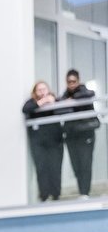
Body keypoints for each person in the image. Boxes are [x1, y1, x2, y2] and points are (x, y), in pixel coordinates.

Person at [58, 69, 98, 198]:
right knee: (76, 165)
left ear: (78, 81)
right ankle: (82, 190)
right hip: (71, 136)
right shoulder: (65, 96)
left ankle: (84, 192)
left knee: (85, 164)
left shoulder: (84, 91)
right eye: (69, 82)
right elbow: (58, 104)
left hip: (86, 135)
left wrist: (72, 99)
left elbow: (91, 93)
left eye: (74, 81)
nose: (71, 84)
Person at [23, 81, 63, 202]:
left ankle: (56, 194)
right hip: (38, 142)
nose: (42, 92)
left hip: (55, 140)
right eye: (39, 90)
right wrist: (41, 102)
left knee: (55, 167)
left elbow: (64, 109)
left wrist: (52, 102)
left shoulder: (55, 99)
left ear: (48, 90)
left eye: (44, 89)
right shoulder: (32, 102)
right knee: (41, 168)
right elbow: (25, 109)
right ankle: (44, 195)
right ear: (35, 92)